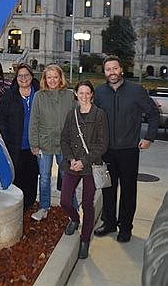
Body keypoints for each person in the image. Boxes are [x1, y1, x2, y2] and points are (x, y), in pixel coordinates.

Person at [93, 55, 160, 243]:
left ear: (121, 69)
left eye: (115, 68)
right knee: (108, 188)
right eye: (108, 69)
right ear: (104, 72)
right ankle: (109, 222)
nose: (112, 72)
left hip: (129, 149)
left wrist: (149, 137)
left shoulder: (136, 91)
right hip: (106, 150)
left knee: (128, 190)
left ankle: (125, 227)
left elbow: (153, 114)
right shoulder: (99, 93)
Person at [60, 80, 109, 259]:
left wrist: (83, 161)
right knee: (65, 200)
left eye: (87, 93)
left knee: (88, 204)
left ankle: (85, 240)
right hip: (72, 164)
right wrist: (71, 159)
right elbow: (64, 139)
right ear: (76, 94)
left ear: (92, 95)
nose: (84, 96)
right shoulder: (71, 114)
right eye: (81, 93)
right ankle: (74, 218)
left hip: (90, 165)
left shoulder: (99, 115)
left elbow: (103, 144)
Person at [29, 64, 78, 221]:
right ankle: (44, 207)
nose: (52, 80)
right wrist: (34, 144)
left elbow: (78, 118)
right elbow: (34, 121)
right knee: (44, 176)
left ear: (60, 78)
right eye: (49, 77)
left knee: (67, 176)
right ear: (44, 79)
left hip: (65, 145)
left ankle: (74, 208)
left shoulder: (69, 96)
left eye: (55, 77)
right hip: (44, 143)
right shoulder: (39, 96)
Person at [0, 63, 39, 209]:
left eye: (26, 75)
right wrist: (5, 137)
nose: (23, 78)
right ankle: (16, 204)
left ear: (32, 76)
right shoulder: (10, 95)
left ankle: (29, 204)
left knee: (32, 176)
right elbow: (1, 117)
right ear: (16, 78)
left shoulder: (39, 93)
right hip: (15, 144)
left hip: (35, 145)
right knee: (17, 175)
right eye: (20, 75)